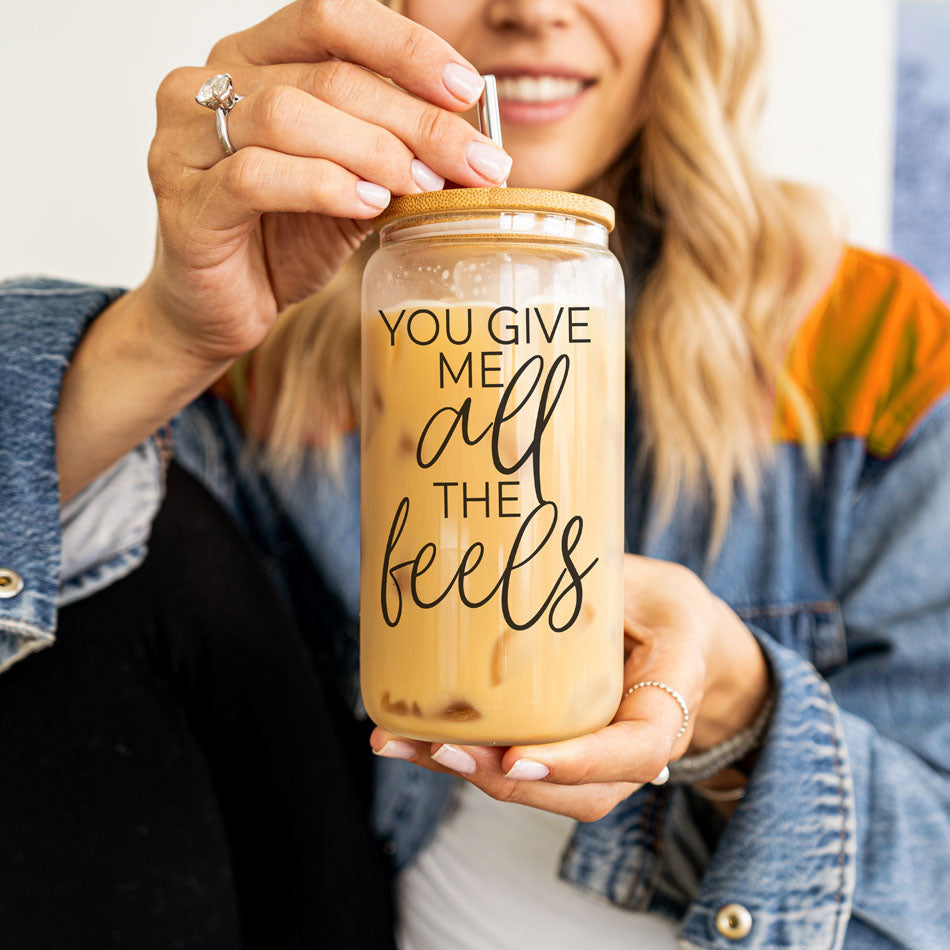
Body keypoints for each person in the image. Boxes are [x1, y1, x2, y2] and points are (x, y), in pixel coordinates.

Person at [1, 0, 949, 947]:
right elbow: (67, 605)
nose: (531, 11)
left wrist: (739, 704)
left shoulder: (876, 352)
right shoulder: (280, 358)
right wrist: (168, 334)